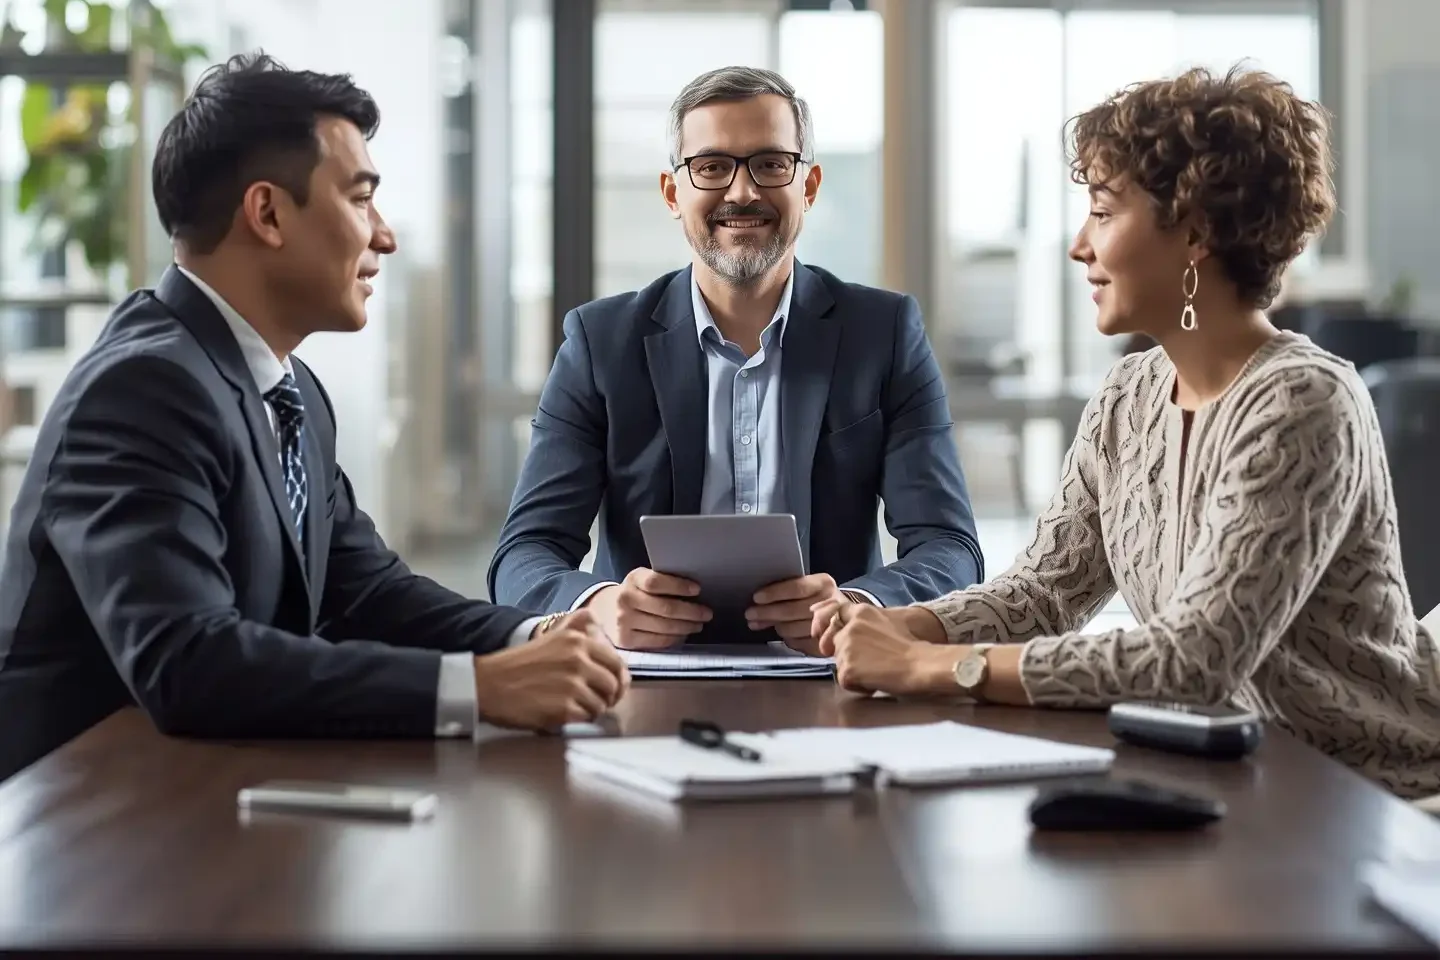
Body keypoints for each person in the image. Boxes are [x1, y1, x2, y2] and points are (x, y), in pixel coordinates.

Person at [812, 65, 1440, 800]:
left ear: (1197, 230)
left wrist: (930, 667)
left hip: (1378, 799)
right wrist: (900, 623)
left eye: (1104, 213)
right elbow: (1043, 593)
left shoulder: (1304, 400)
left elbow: (1194, 661)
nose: (1080, 245)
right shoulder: (1129, 394)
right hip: (1242, 786)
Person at [0, 53, 628, 781]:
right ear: (267, 213)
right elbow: (189, 661)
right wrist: (483, 689)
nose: (384, 236)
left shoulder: (287, 389)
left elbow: (365, 592)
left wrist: (540, 632)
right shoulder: (143, 389)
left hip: (199, 795)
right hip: (78, 828)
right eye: (360, 199)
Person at [488, 66, 983, 652]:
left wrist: (857, 607)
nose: (742, 192)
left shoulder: (885, 332)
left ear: (810, 185)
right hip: (640, 681)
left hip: (834, 672)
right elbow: (524, 553)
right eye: (712, 166)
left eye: (771, 164)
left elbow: (949, 547)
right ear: (674, 193)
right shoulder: (600, 342)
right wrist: (596, 607)